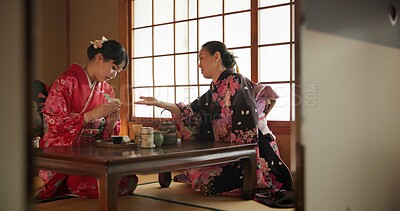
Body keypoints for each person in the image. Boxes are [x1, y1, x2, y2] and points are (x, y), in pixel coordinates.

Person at [135, 41, 294, 207]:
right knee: (195, 173)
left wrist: (241, 155)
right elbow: (190, 111)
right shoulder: (215, 89)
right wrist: (159, 103)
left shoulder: (237, 81)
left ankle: (248, 177)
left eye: (202, 58)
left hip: (252, 150)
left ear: (216, 57)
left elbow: (247, 126)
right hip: (229, 150)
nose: (199, 64)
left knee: (205, 181)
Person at [35, 36, 138, 199]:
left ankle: (75, 183)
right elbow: (54, 123)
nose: (114, 74)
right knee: (92, 185)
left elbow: (107, 136)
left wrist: (110, 125)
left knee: (125, 179)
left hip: (92, 156)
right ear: (99, 58)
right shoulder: (66, 81)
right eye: (113, 67)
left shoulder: (107, 90)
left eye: (118, 71)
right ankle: (66, 183)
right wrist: (91, 115)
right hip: (67, 154)